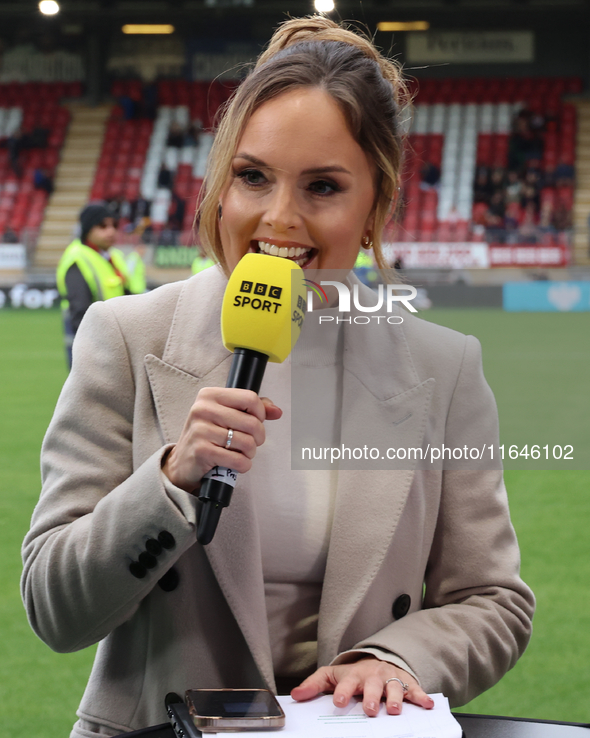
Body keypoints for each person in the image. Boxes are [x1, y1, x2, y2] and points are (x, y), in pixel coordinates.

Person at [22, 17, 535, 738]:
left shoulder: (444, 368)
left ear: (375, 210)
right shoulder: (126, 338)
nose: (278, 218)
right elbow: (54, 608)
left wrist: (393, 656)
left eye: (323, 186)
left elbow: (492, 599)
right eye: (252, 176)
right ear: (219, 186)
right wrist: (167, 480)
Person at [55, 203, 134, 368]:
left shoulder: (114, 256)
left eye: (114, 225)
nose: (111, 231)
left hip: (117, 341)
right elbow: (80, 309)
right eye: (102, 226)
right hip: (95, 346)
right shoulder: (77, 258)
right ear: (87, 229)